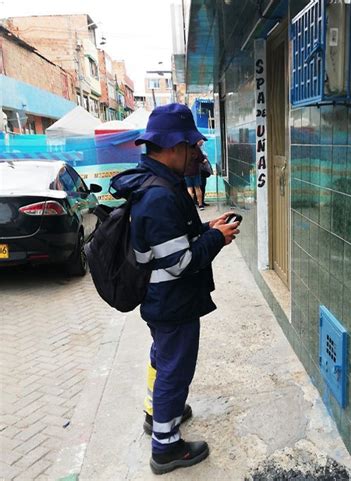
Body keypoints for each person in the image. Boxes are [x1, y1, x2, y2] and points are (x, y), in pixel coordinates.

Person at [110, 103, 240, 475]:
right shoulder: (161, 195)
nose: (198, 155)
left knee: (163, 361)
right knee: (174, 371)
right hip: (172, 304)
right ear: (172, 147)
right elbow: (180, 263)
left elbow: (175, 241)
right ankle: (166, 447)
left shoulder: (159, 183)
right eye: (192, 147)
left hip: (163, 302)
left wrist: (207, 229)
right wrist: (215, 237)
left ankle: (158, 414)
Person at [184, 139, 205, 210]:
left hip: (186, 172)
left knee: (189, 188)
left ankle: (191, 205)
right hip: (196, 171)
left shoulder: (184, 148)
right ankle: (200, 205)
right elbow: (202, 159)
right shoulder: (196, 148)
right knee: (197, 188)